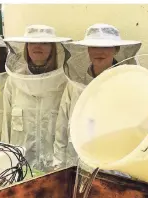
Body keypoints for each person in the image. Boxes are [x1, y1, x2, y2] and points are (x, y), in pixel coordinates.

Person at [53, 24, 141, 169]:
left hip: (115, 168)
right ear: (88, 49)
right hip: (76, 165)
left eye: (106, 47)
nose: (99, 52)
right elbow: (61, 126)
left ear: (116, 49)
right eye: (94, 46)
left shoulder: (129, 83)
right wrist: (58, 164)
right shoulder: (74, 86)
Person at [1, 25, 71, 172]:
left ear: (53, 48)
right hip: (21, 168)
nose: (37, 46)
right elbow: (6, 126)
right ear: (26, 47)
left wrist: (63, 167)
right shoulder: (13, 81)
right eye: (32, 42)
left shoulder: (65, 83)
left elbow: (67, 130)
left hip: (54, 169)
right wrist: (6, 163)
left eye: (44, 43)